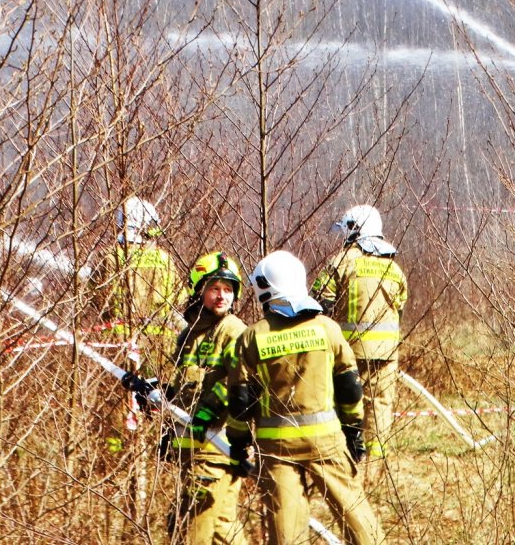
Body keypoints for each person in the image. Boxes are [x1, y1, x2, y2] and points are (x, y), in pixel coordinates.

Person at [224, 250, 384, 545]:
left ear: (264, 289)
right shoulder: (327, 329)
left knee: (286, 530)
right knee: (356, 516)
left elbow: (240, 400)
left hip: (277, 447)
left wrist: (238, 443)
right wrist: (353, 430)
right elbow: (350, 387)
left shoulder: (252, 337)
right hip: (327, 441)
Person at [88, 196, 187, 539]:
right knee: (158, 415)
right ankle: (152, 484)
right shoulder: (164, 260)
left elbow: (97, 300)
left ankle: (116, 476)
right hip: (161, 354)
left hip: (119, 354)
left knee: (117, 423)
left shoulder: (109, 258)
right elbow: (179, 302)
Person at [164, 252, 249, 544]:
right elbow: (184, 388)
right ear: (199, 290)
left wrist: (208, 411)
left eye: (228, 289)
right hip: (195, 448)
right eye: (214, 288)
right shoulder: (190, 334)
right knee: (223, 530)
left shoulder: (233, 330)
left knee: (192, 532)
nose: (222, 296)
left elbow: (239, 380)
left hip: (216, 447)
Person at [312, 205, 408, 459]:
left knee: (342, 403)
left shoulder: (341, 262)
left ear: (353, 229)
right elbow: (399, 311)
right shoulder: (394, 268)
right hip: (386, 354)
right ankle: (374, 463)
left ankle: (343, 457)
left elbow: (319, 306)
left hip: (347, 352)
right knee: (380, 405)